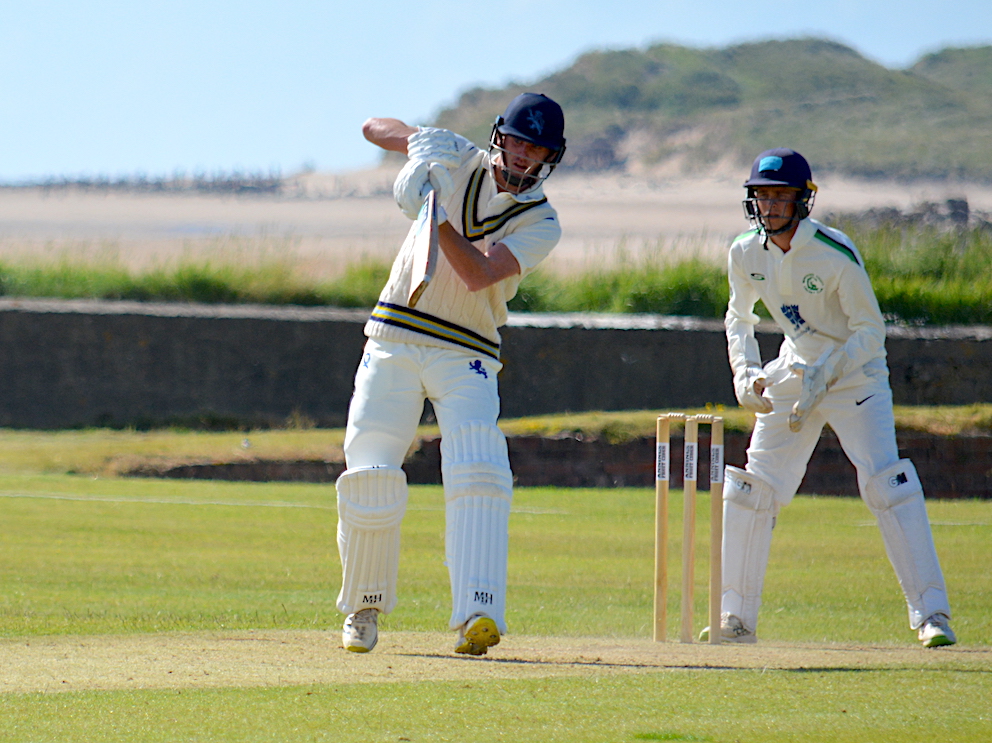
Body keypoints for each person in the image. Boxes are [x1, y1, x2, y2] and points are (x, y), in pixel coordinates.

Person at [335, 93, 566, 655]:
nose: (523, 156)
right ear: (500, 137)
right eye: (517, 142)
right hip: (395, 334)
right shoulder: (457, 157)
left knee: (480, 472)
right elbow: (372, 126)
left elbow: (480, 274)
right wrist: (419, 146)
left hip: (468, 350)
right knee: (370, 472)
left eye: (536, 150)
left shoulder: (541, 221)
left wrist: (433, 217)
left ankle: (478, 614)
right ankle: (363, 608)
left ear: (550, 158)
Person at [704, 148, 956, 648]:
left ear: (803, 201)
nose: (770, 207)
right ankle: (735, 619)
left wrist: (830, 371)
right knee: (754, 488)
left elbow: (870, 330)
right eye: (762, 196)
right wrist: (745, 373)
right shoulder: (744, 252)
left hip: (855, 375)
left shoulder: (835, 252)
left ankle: (932, 615)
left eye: (781, 197)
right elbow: (739, 317)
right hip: (795, 369)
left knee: (887, 482)